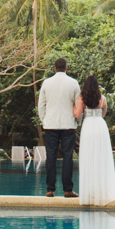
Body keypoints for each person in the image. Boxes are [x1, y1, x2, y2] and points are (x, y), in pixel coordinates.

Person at [74, 75, 115, 206]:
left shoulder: (82, 99)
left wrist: (71, 107)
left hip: (88, 127)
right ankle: (102, 191)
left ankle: (90, 192)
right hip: (100, 127)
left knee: (89, 158)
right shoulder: (103, 99)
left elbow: (78, 114)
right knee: (101, 159)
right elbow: (103, 114)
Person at [38, 58, 80, 198]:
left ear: (55, 68)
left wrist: (44, 120)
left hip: (50, 125)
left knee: (51, 156)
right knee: (68, 156)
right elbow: (77, 105)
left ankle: (50, 189)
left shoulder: (46, 83)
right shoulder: (73, 83)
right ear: (66, 68)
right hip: (68, 124)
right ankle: (68, 189)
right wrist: (77, 121)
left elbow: (41, 105)